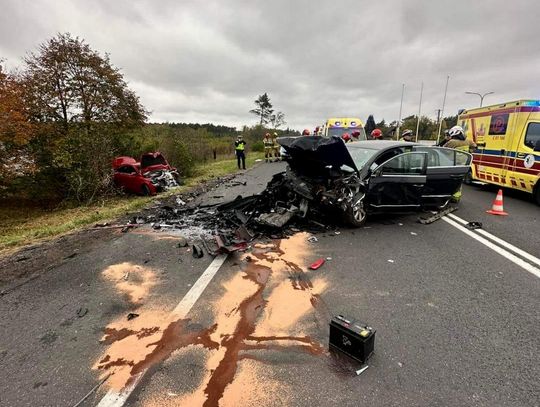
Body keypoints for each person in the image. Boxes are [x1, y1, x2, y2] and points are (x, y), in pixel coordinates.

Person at [443, 125, 476, 202]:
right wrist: (469, 152)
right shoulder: (469, 141)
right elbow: (474, 146)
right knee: (459, 181)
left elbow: (443, 150)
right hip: (464, 165)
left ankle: (449, 196)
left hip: (453, 164)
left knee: (450, 181)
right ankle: (456, 197)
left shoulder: (452, 142)